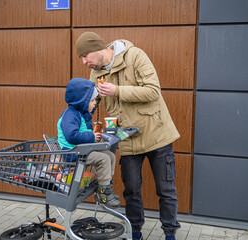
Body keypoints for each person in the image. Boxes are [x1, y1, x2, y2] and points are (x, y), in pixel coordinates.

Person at [75, 32, 181, 240]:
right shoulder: (95, 74)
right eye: (81, 58)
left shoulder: (135, 56)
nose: (84, 61)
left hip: (156, 133)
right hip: (127, 138)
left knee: (166, 190)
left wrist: (117, 91)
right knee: (131, 190)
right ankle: (136, 233)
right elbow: (92, 103)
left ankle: (170, 234)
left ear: (98, 48)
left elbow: (153, 91)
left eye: (85, 55)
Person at [57, 77, 120, 208]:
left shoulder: (81, 114)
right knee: (103, 159)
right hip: (72, 152)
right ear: (81, 101)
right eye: (92, 100)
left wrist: (95, 137)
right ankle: (104, 193)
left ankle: (104, 186)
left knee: (110, 155)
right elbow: (71, 135)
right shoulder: (70, 114)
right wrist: (91, 137)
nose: (95, 103)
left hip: (82, 150)